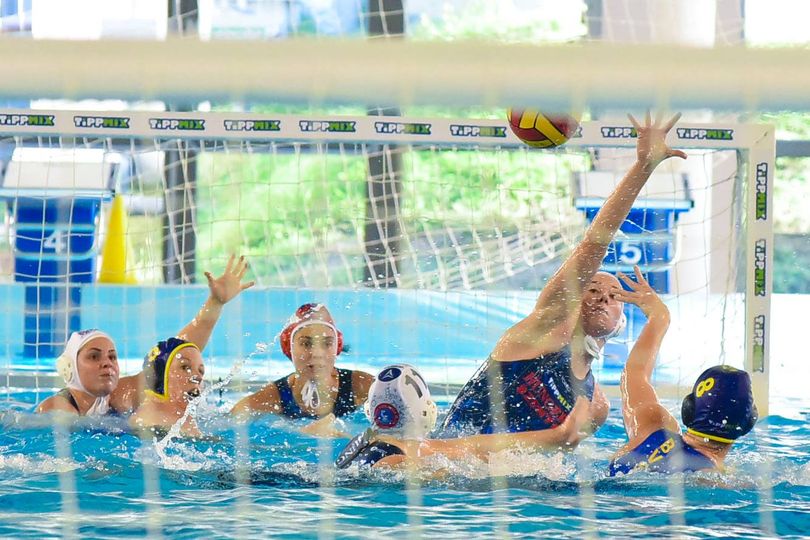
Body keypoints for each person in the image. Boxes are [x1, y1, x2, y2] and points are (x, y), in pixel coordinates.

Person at [436, 112, 687, 444]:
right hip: (444, 464)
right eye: (592, 288)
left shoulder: (596, 408)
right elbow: (595, 243)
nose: (603, 296)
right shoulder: (540, 332)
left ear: (622, 323)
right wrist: (643, 168)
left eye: (615, 296)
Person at [36, 254, 254, 416]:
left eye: (112, 356)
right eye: (94, 356)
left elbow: (175, 354)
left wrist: (215, 303)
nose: (107, 363)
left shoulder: (119, 395)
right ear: (69, 367)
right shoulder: (56, 408)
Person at [608, 266, 757, 476]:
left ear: (689, 409)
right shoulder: (712, 477)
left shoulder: (651, 427)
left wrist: (660, 317)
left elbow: (634, 373)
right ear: (748, 422)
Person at [336, 364, 591, 470]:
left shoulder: (363, 442)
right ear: (423, 411)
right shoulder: (400, 459)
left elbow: (466, 447)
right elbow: (468, 453)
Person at [231, 303, 374, 425]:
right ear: (289, 347)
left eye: (327, 343)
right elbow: (224, 429)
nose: (317, 353)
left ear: (337, 347)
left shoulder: (363, 387)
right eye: (306, 343)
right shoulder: (271, 399)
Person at [128, 337, 205, 437]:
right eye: (185, 367)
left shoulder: (179, 416)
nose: (198, 377)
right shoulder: (154, 420)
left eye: (201, 371)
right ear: (161, 376)